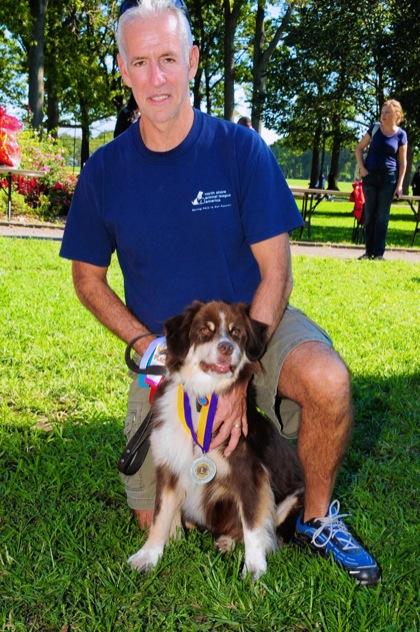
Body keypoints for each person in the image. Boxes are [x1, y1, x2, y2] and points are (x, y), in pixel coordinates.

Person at [60, 0, 380, 586]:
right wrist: (143, 343)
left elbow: (276, 274)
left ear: (193, 60)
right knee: (155, 516)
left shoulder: (240, 150)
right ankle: (255, 464)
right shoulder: (104, 171)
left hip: (254, 322)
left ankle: (314, 516)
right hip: (177, 350)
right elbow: (86, 278)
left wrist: (237, 377)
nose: (157, 78)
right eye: (141, 62)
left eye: (168, 59)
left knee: (328, 381)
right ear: (123, 69)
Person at [355, 100, 407, 260]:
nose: (383, 115)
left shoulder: (401, 135)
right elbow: (359, 148)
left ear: (396, 115)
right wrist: (362, 169)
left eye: (387, 112)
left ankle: (378, 254)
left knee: (382, 216)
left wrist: (399, 185)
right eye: (382, 112)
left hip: (388, 180)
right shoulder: (375, 128)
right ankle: (368, 252)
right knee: (370, 215)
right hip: (370, 178)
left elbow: (403, 162)